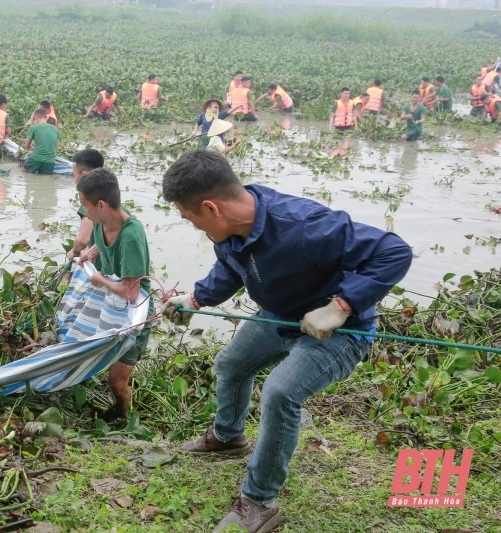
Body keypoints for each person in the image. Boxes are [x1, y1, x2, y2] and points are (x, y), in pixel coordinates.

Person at [160, 150, 412, 533]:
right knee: (231, 364)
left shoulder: (306, 225)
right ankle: (228, 437)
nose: (190, 224)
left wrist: (342, 305)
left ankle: (259, 501)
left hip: (338, 330)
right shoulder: (227, 229)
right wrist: (194, 299)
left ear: (210, 207)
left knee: (280, 392)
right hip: (279, 315)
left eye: (187, 216)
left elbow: (393, 251)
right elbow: (230, 268)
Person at [75, 168, 153, 421]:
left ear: (101, 204)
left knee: (117, 380)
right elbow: (103, 240)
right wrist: (91, 253)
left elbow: (132, 293)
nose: (84, 211)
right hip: (112, 302)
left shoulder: (131, 236)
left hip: (133, 314)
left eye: (85, 205)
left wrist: (101, 280)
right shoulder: (103, 221)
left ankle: (122, 417)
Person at [67, 149, 105, 260]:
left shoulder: (89, 201)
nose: (74, 179)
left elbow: (83, 240)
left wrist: (73, 253)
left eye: (74, 175)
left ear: (84, 175)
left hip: (100, 268)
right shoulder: (109, 192)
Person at [24, 109, 60, 174]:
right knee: (45, 179)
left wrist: (32, 147)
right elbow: (57, 148)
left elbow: (26, 146)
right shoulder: (55, 129)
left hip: (36, 158)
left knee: (24, 171)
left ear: (36, 118)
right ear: (46, 118)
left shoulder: (33, 127)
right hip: (50, 161)